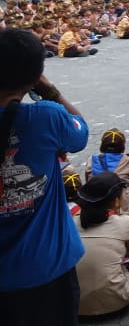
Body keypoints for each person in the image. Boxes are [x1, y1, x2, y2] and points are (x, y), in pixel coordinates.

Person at [0, 29, 89, 325]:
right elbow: (80, 132)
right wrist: (49, 90)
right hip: (47, 268)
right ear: (35, 76)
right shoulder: (47, 117)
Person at [74, 172, 129, 317]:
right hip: (114, 303)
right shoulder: (125, 222)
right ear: (116, 201)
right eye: (124, 193)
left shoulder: (71, 221)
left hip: (75, 304)